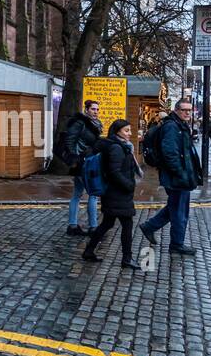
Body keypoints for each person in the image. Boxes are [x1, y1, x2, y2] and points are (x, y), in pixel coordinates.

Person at [140, 98, 203, 255]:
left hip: (180, 176)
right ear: (176, 110)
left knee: (175, 207)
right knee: (180, 211)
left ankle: (149, 226)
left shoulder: (179, 125)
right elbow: (170, 153)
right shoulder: (172, 127)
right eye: (184, 110)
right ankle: (176, 244)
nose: (187, 113)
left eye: (189, 110)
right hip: (176, 177)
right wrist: (181, 173)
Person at [82, 120, 142, 269]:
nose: (130, 133)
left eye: (130, 130)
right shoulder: (117, 148)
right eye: (126, 130)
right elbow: (114, 172)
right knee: (127, 225)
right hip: (118, 193)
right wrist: (129, 185)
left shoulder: (119, 146)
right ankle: (127, 259)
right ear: (117, 131)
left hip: (115, 193)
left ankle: (89, 251)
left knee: (107, 223)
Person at [59, 99, 102, 236]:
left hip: (89, 161)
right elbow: (70, 140)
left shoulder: (96, 124)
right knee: (93, 194)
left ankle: (72, 226)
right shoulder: (80, 123)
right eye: (93, 109)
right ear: (86, 110)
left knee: (77, 194)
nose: (95, 112)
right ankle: (93, 227)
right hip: (83, 163)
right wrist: (74, 159)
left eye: (97, 109)